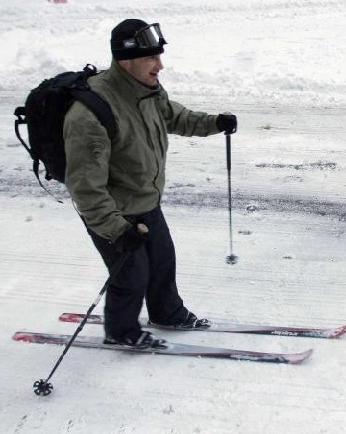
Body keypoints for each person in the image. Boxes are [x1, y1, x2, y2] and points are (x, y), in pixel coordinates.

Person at [62, 18, 238, 349]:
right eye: (151, 58)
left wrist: (215, 122)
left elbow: (176, 117)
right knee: (130, 275)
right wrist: (117, 230)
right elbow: (86, 188)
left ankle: (166, 312)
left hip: (144, 200)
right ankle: (120, 330)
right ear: (126, 60)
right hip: (111, 211)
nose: (160, 65)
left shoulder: (147, 91)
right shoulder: (90, 113)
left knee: (162, 261)